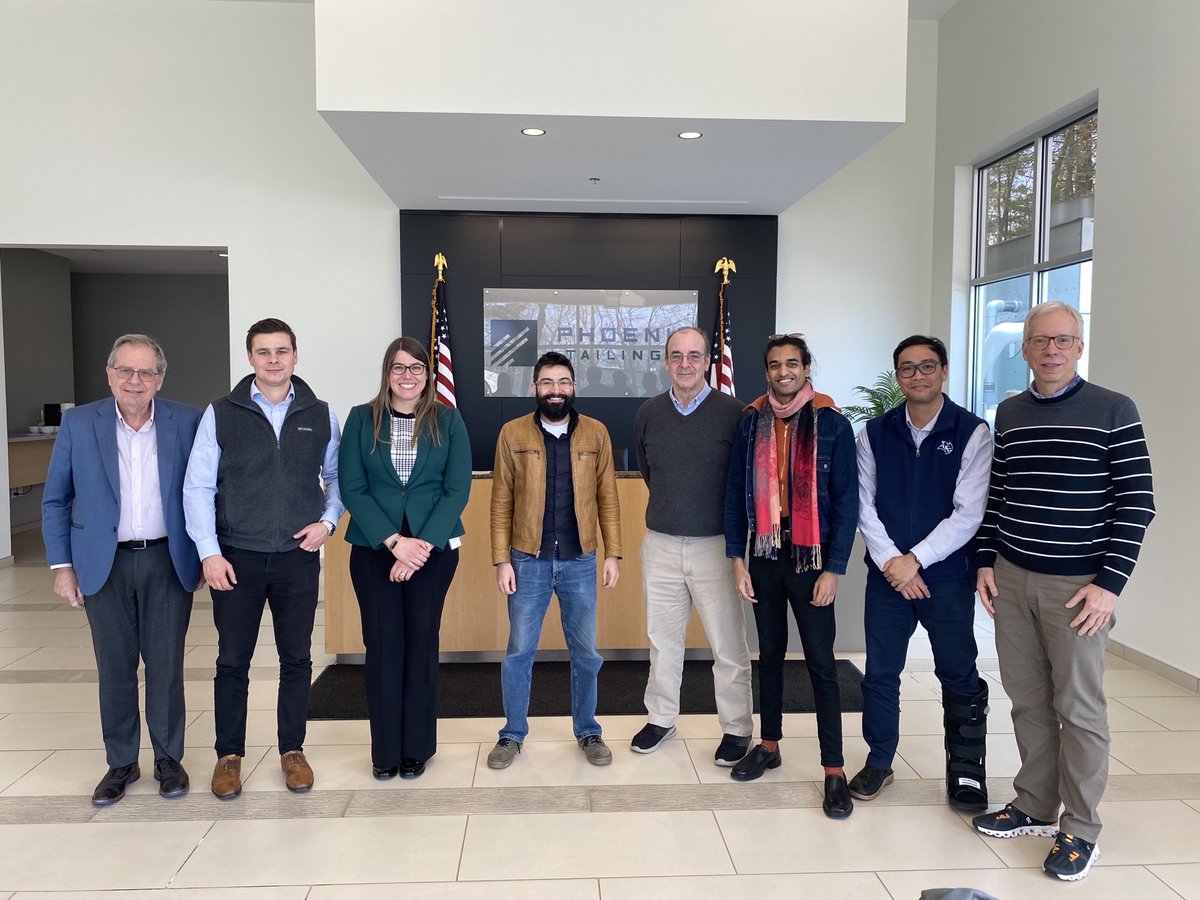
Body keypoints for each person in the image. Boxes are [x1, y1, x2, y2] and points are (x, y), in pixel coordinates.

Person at [972, 302, 1155, 882]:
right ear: (1024, 349)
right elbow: (997, 495)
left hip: (1079, 589)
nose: (1051, 349)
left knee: (1077, 710)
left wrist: (1110, 585)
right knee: (1027, 700)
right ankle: (1032, 804)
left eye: (1063, 340)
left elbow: (1137, 503)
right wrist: (985, 561)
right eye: (1040, 340)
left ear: (1079, 347)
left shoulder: (1113, 409)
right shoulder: (1011, 412)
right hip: (1013, 577)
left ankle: (1080, 828)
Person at [183, 317, 343, 798]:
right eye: (263, 352)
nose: (274, 360)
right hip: (237, 558)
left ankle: (292, 750)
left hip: (297, 556)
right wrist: (209, 554)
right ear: (250, 358)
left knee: (297, 660)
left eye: (282, 351)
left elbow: (337, 478)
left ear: (296, 356)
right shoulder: (221, 413)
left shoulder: (321, 412)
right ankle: (228, 756)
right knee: (233, 661)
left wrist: (328, 522)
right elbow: (198, 487)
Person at [42, 334, 201, 805]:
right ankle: (121, 762)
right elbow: (56, 499)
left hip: (166, 559)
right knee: (114, 667)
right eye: (126, 371)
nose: (135, 380)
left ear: (160, 378)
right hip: (102, 562)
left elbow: (205, 490)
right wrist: (62, 565)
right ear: (109, 373)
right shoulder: (78, 423)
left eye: (146, 372)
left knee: (166, 666)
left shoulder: (187, 421)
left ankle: (169, 759)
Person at [851, 335, 991, 808]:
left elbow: (968, 513)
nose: (917, 376)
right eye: (907, 368)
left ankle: (967, 772)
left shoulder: (972, 432)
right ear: (898, 376)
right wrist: (893, 562)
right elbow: (861, 505)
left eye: (927, 366)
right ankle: (879, 761)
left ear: (944, 371)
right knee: (881, 673)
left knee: (958, 673)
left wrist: (916, 560)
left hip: (946, 578)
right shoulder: (873, 433)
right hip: (888, 579)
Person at [724, 333, 858, 819]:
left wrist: (835, 570)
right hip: (763, 555)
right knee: (771, 656)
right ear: (767, 372)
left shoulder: (833, 425)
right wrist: (738, 560)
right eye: (776, 365)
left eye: (792, 364)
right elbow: (735, 495)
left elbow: (847, 504)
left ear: (806, 368)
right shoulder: (749, 424)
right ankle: (770, 743)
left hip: (811, 560)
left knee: (822, 663)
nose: (784, 372)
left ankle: (834, 770)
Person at [339, 337, 471, 779]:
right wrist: (396, 543)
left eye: (417, 367)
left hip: (432, 553)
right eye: (399, 368)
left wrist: (421, 546)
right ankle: (385, 752)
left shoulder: (448, 421)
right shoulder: (361, 419)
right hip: (376, 550)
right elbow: (352, 488)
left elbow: (457, 490)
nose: (408, 376)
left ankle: (417, 747)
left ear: (428, 374)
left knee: (420, 644)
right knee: (382, 647)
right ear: (386, 373)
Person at [487, 351, 622, 768]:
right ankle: (511, 734)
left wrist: (612, 553)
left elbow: (609, 500)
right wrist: (500, 560)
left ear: (574, 386)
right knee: (518, 652)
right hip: (527, 559)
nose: (556, 390)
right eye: (548, 383)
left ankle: (588, 731)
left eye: (563, 382)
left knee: (585, 653)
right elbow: (500, 502)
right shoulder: (512, 434)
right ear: (534, 388)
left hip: (581, 560)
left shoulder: (596, 434)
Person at [631, 327, 753, 765]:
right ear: (666, 361)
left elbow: (741, 483)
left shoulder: (735, 413)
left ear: (707, 362)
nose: (685, 363)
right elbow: (650, 472)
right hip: (660, 544)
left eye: (694, 355)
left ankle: (737, 728)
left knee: (727, 645)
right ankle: (661, 718)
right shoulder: (648, 412)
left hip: (716, 546)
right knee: (662, 641)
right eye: (676, 355)